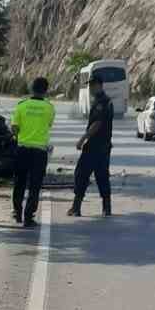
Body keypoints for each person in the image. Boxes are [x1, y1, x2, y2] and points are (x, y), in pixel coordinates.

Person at [11, 77, 55, 227]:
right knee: (35, 185)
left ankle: (17, 213)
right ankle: (28, 217)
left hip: (22, 149)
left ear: (31, 89)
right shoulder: (49, 108)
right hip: (39, 152)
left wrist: (19, 135)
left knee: (19, 182)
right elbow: (48, 124)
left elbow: (14, 128)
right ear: (46, 90)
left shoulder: (21, 106)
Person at [68, 76, 114, 217]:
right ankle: (106, 208)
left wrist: (82, 139)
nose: (91, 88)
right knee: (102, 176)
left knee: (81, 174)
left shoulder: (102, 102)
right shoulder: (105, 101)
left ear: (100, 85)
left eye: (93, 85)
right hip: (104, 146)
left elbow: (97, 124)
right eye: (90, 86)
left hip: (95, 146)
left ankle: (76, 207)